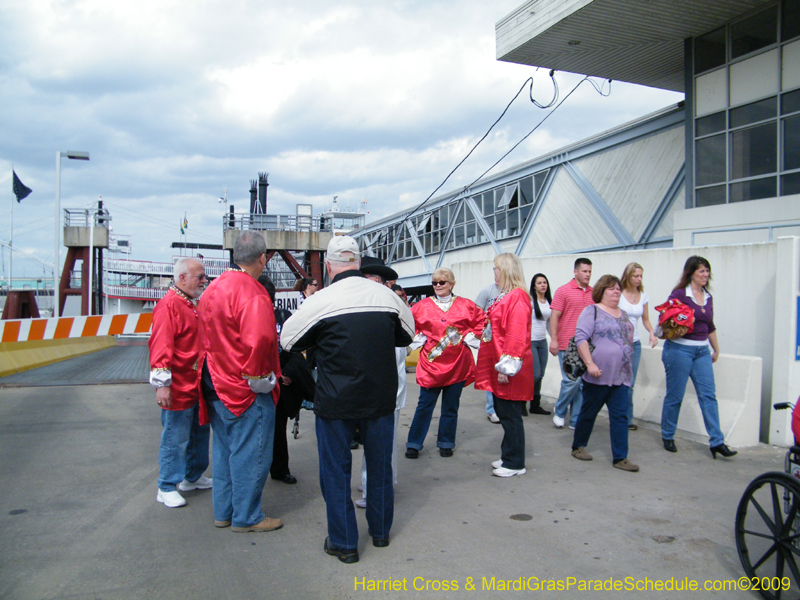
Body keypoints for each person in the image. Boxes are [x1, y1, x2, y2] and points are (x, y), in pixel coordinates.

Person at [281, 236, 414, 564]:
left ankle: (344, 543)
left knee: (336, 472)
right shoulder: (387, 297)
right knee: (381, 467)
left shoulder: (321, 300)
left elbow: (288, 340)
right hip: (380, 399)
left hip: (336, 401)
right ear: (358, 262)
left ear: (328, 266)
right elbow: (407, 335)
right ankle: (381, 533)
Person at [198, 231, 283, 532]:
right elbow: (260, 338)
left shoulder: (212, 288)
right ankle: (247, 516)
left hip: (213, 381)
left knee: (223, 451)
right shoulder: (252, 290)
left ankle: (225, 511)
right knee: (252, 452)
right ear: (263, 258)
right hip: (241, 386)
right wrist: (261, 378)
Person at [149, 257, 212, 508]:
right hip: (179, 384)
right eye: (200, 276)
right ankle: (166, 485)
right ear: (183, 277)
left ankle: (192, 475)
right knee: (175, 436)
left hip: (196, 383)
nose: (204, 281)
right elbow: (161, 345)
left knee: (198, 432)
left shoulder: (190, 304)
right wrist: (162, 384)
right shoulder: (169, 306)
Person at [660, 256, 737, 459]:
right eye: (701, 271)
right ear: (691, 273)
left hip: (701, 351)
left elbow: (710, 326)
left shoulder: (708, 297)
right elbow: (666, 321)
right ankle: (668, 434)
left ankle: (717, 441)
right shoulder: (679, 294)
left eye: (707, 271)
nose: (705, 275)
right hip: (679, 350)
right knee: (675, 395)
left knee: (708, 396)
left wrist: (716, 349)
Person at [405, 267, 484, 459]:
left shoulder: (467, 305)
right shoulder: (421, 306)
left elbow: (482, 322)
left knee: (451, 406)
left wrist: (468, 336)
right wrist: (419, 338)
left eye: (442, 282)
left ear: (452, 284)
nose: (438, 286)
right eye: (434, 282)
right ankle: (414, 443)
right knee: (424, 405)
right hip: (431, 365)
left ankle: (446, 442)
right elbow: (407, 325)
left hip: (458, 364)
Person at [570, 275, 639, 472]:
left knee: (620, 417)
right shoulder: (591, 311)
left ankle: (620, 457)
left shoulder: (624, 315)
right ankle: (578, 446)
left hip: (621, 375)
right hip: (598, 373)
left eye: (618, 288)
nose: (616, 291)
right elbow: (581, 338)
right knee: (589, 412)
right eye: (611, 288)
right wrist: (589, 363)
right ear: (602, 291)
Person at [475, 253, 534, 478]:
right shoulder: (507, 296)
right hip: (500, 362)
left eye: (496, 269)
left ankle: (515, 462)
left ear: (506, 270)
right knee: (504, 412)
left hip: (509, 366)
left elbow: (516, 334)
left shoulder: (517, 297)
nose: (494, 273)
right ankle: (509, 454)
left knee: (510, 415)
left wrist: (506, 367)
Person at [356, 257, 409, 509]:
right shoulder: (389, 302)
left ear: (374, 280)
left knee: (378, 444)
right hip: (385, 386)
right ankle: (383, 482)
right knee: (384, 442)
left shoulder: (382, 303)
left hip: (381, 388)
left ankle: (373, 489)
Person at [259, 275, 315, 486]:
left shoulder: (284, 317)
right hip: (253, 383)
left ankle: (280, 469)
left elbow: (297, 349)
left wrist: (288, 373)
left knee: (278, 429)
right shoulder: (249, 317)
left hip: (280, 383)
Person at [550, 258, 594, 429]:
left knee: (582, 384)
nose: (588, 274)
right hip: (567, 343)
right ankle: (560, 410)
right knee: (571, 380)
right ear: (575, 272)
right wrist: (554, 339)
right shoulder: (563, 291)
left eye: (589, 271)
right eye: (584, 271)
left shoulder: (593, 293)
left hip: (587, 345)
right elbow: (555, 316)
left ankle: (575, 420)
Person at [618, 262, 659, 431]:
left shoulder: (643, 295)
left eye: (640, 276)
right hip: (620, 343)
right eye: (635, 275)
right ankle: (619, 414)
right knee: (619, 380)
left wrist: (652, 332)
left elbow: (646, 319)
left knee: (630, 381)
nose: (638, 279)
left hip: (635, 342)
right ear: (628, 276)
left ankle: (627, 417)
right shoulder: (618, 293)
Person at [475, 275, 502, 423]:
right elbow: (476, 314)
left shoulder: (512, 292)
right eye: (495, 275)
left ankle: (502, 406)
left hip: (504, 340)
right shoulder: (487, 292)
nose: (497, 278)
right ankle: (491, 410)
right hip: (489, 340)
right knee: (490, 375)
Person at [529, 273, 552, 416]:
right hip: (530, 341)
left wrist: (554, 339)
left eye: (545, 282)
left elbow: (550, 323)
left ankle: (535, 405)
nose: (543, 285)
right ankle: (522, 401)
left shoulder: (549, 301)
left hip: (542, 341)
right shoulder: (530, 301)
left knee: (541, 374)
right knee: (535, 374)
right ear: (534, 286)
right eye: (539, 283)